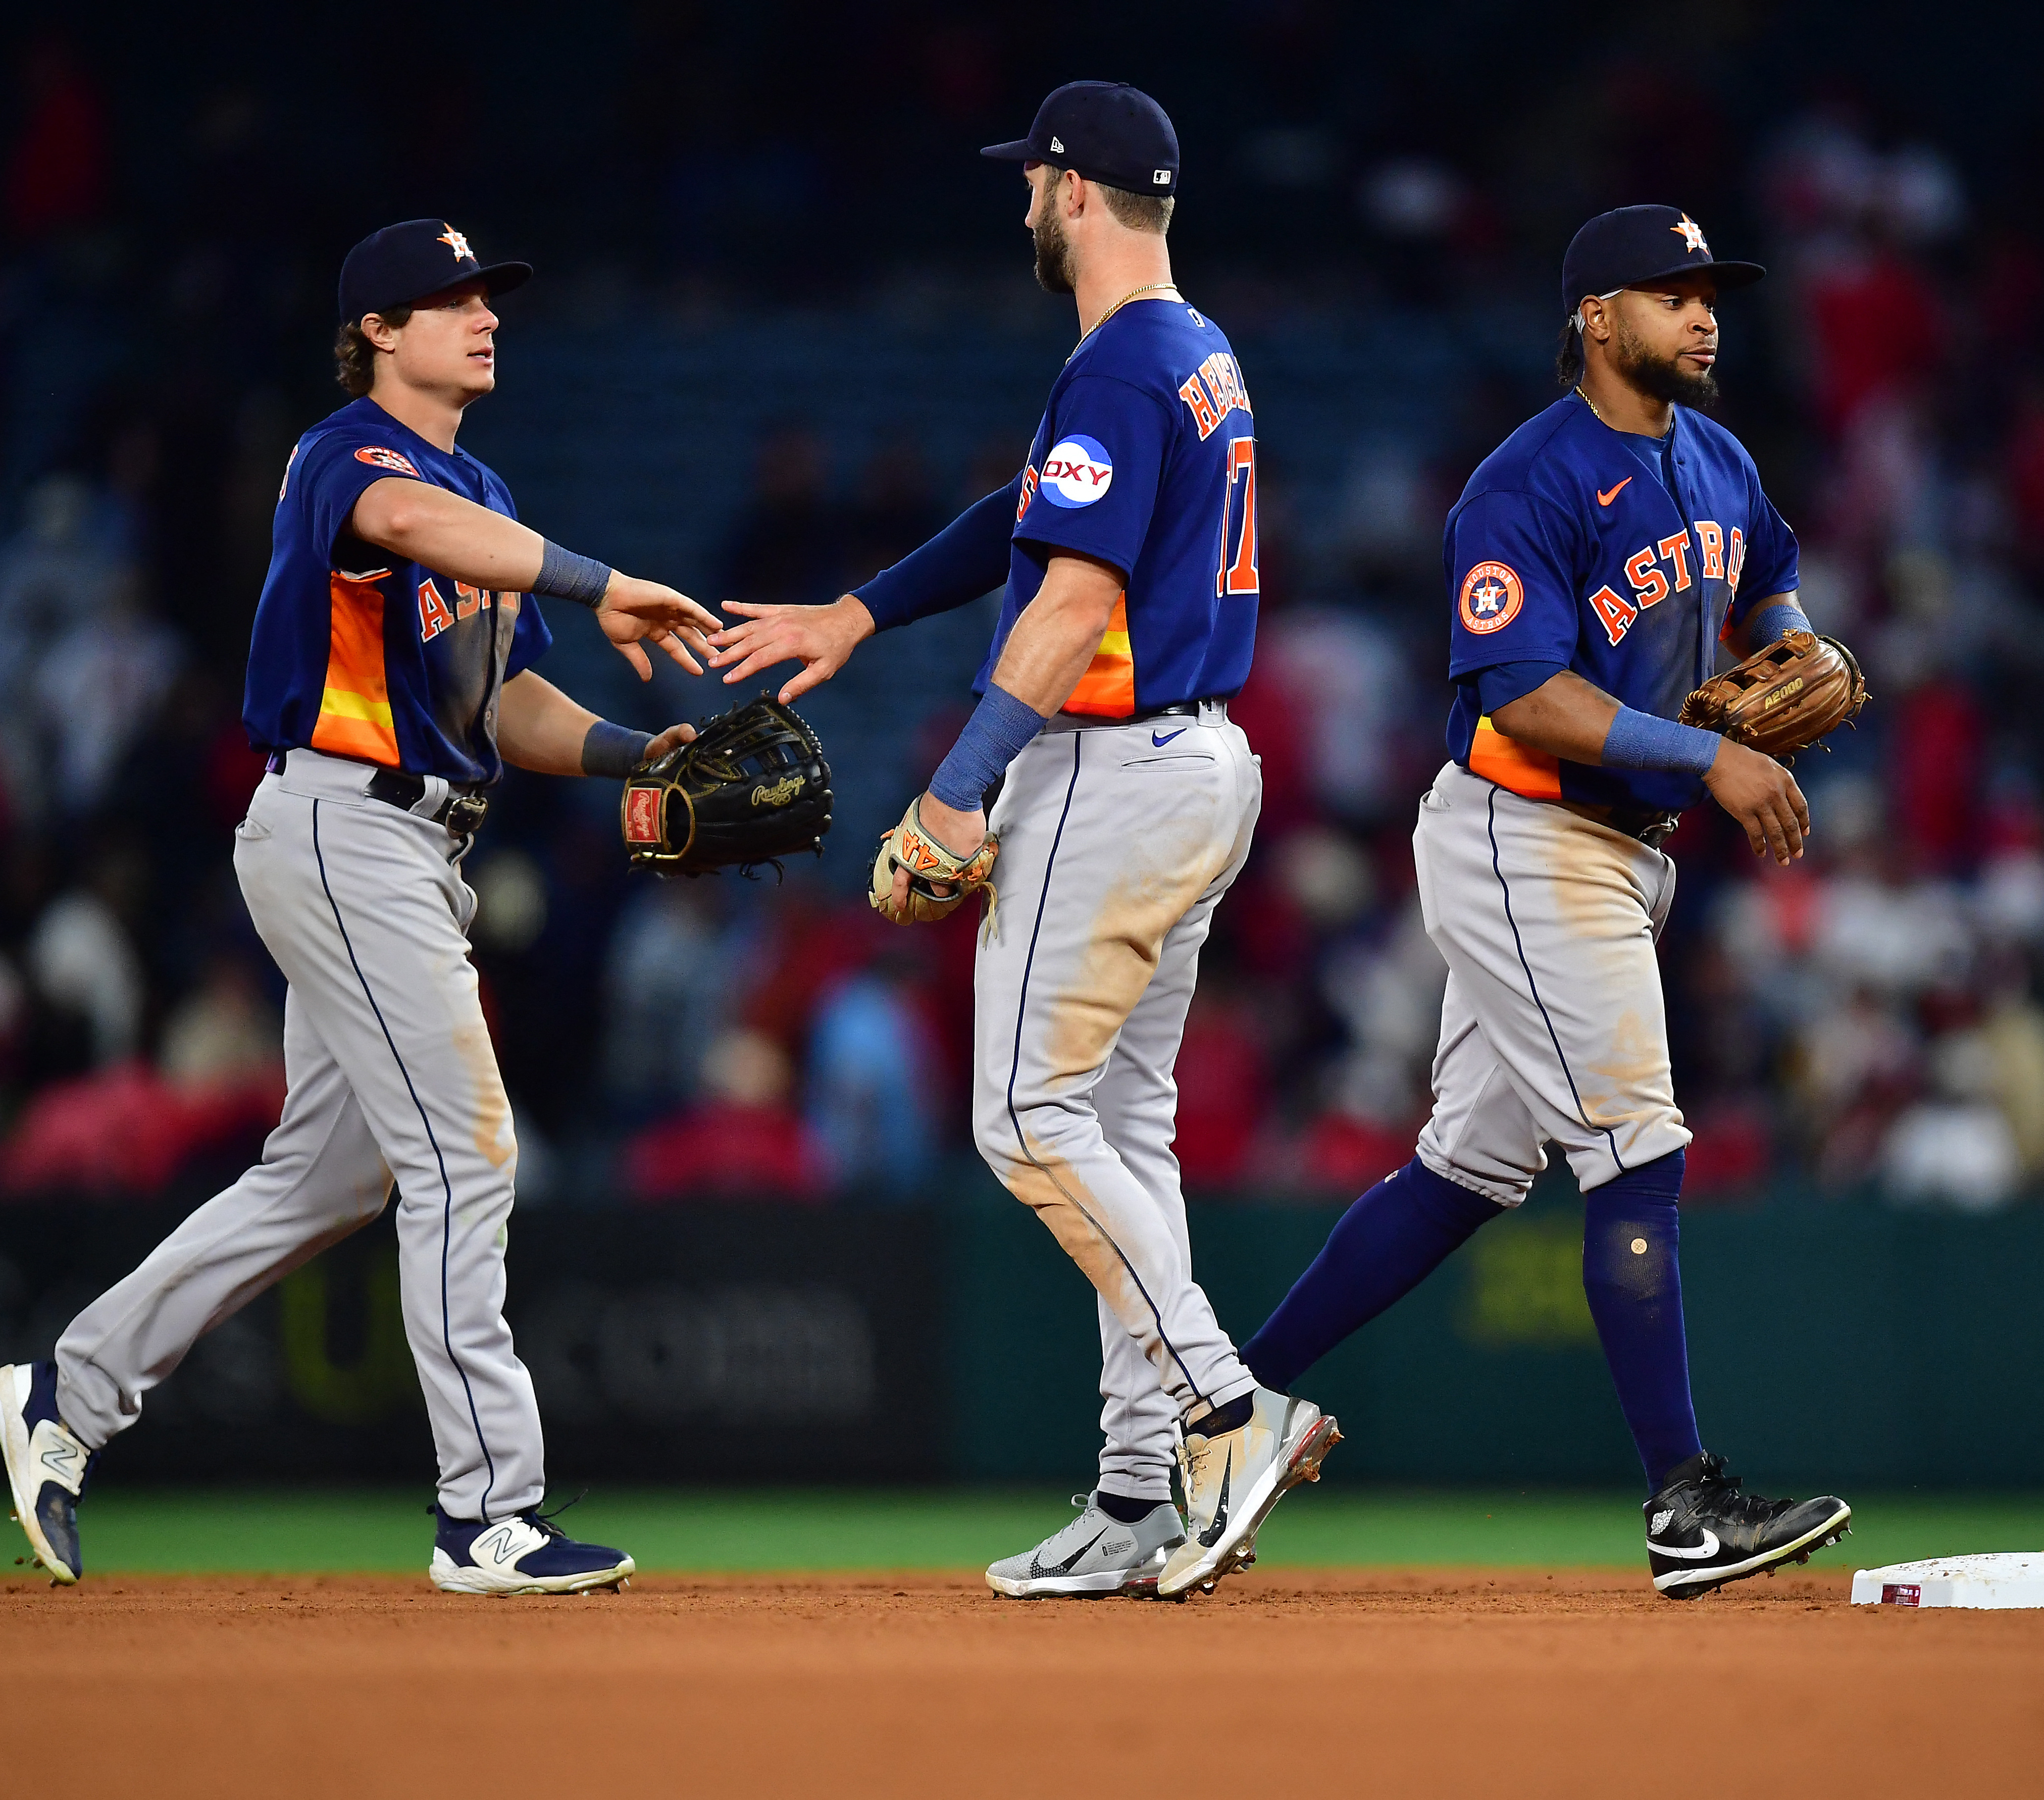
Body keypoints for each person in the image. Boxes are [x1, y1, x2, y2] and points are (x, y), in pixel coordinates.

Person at [0, 220, 719, 1594]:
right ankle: (487, 1515)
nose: (483, 316)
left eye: (488, 297)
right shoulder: (349, 456)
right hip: (343, 821)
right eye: (450, 301)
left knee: (321, 1178)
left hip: (412, 841)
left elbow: (500, 703)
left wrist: (636, 752)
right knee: (468, 1152)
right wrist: (605, 579)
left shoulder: (483, 485)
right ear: (379, 332)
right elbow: (410, 526)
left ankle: (65, 1396)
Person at [707, 83, 1335, 1601]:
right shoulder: (1188, 351)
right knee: (1118, 1132)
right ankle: (1134, 1495)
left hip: (1107, 770)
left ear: (1069, 189)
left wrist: (957, 786)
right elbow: (1030, 516)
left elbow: (1066, 603)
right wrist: (859, 611)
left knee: (1019, 1119)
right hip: (1196, 767)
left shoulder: (1120, 363)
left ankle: (1225, 1411)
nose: (1022, 205)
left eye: (1031, 181)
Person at [1233, 205, 1852, 1598]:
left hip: (1626, 850)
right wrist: (1713, 753)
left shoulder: (1718, 457)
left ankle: (1216, 1409)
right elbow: (1523, 689)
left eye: (1711, 291)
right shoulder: (1526, 481)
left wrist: (1799, 649)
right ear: (1592, 315)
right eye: (1669, 291)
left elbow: (1773, 581)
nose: (1703, 314)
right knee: (1636, 1148)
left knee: (1467, 1170)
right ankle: (1683, 1505)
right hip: (1524, 833)